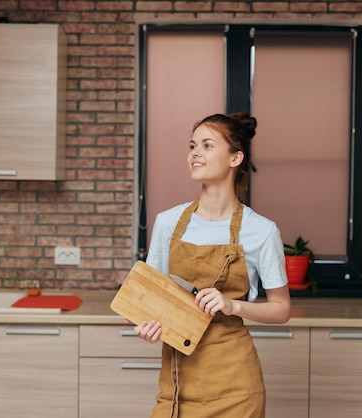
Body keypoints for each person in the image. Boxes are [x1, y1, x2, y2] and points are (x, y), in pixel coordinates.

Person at [134, 112, 291, 417]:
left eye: (207, 145)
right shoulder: (167, 223)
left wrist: (233, 306)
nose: (195, 153)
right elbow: (149, 298)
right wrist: (147, 325)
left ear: (235, 158)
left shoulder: (261, 230)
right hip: (178, 381)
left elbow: (281, 309)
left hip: (235, 384)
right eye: (192, 146)